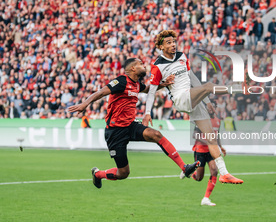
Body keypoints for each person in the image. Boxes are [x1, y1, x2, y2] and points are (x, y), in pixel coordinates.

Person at [68, 58, 199, 188]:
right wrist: (84, 104)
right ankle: (98, 174)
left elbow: (147, 89)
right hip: (115, 131)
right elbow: (102, 92)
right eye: (141, 64)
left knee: (156, 135)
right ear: (133, 68)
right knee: (123, 173)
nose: (144, 65)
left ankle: (184, 167)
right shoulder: (121, 81)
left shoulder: (136, 84)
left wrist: (163, 84)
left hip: (130, 125)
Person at [142, 30, 243, 184]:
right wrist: (147, 112)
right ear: (161, 46)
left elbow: (193, 79)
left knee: (211, 136)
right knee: (209, 85)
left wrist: (208, 102)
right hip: (181, 98)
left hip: (193, 95)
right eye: (168, 42)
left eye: (174, 41)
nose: (173, 45)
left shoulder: (182, 56)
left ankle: (224, 173)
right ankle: (236, 89)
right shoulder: (157, 66)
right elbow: (152, 91)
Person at [190, 115, 227, 206]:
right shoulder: (201, 120)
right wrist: (207, 141)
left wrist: (220, 146)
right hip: (200, 150)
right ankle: (189, 171)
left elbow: (216, 135)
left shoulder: (217, 121)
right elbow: (194, 135)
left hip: (211, 150)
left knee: (214, 171)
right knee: (199, 178)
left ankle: (206, 198)